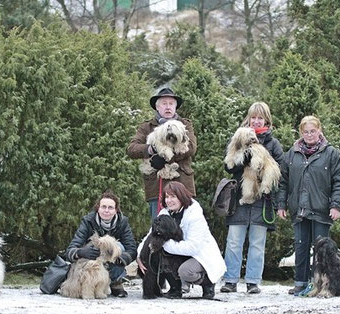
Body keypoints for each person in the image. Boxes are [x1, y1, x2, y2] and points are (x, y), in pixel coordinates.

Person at [276, 116, 340, 296]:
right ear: (301, 132)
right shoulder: (291, 154)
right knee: (300, 245)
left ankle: (322, 285)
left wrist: (336, 206)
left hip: (322, 209)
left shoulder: (331, 153)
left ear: (319, 131)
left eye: (312, 131)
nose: (309, 135)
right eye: (306, 132)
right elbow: (283, 181)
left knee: (321, 250)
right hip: (299, 208)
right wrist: (281, 205)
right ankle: (300, 282)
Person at [220, 102, 284, 294]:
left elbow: (281, 171)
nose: (256, 121)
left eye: (260, 118)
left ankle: (253, 281)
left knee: (257, 243)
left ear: (267, 120)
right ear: (248, 119)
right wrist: (243, 161)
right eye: (253, 117)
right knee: (234, 240)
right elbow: (228, 166)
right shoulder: (238, 138)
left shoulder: (273, 144)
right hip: (238, 198)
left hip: (262, 201)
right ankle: (230, 279)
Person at [137, 181, 226, 299]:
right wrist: (139, 256)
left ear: (182, 196)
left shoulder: (195, 215)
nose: (169, 200)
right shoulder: (164, 213)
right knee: (159, 254)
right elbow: (150, 236)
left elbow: (193, 247)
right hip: (179, 252)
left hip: (198, 254)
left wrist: (164, 244)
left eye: (173, 196)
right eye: (167, 197)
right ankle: (175, 288)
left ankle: (208, 283)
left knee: (186, 272)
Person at [127, 87, 197, 219]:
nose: (168, 107)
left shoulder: (185, 125)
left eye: (171, 104)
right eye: (164, 104)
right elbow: (131, 149)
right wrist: (151, 149)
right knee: (159, 227)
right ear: (157, 107)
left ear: (175, 107)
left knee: (185, 225)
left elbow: (191, 148)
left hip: (182, 183)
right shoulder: (146, 127)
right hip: (156, 186)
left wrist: (165, 157)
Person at [65, 191, 137, 297]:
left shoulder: (123, 222)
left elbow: (132, 249)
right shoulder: (88, 221)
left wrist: (119, 259)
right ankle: (86, 287)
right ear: (98, 208)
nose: (106, 210)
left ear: (116, 210)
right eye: (103, 207)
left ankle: (116, 282)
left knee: (119, 247)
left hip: (111, 261)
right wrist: (81, 252)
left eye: (110, 207)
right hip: (90, 263)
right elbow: (71, 249)